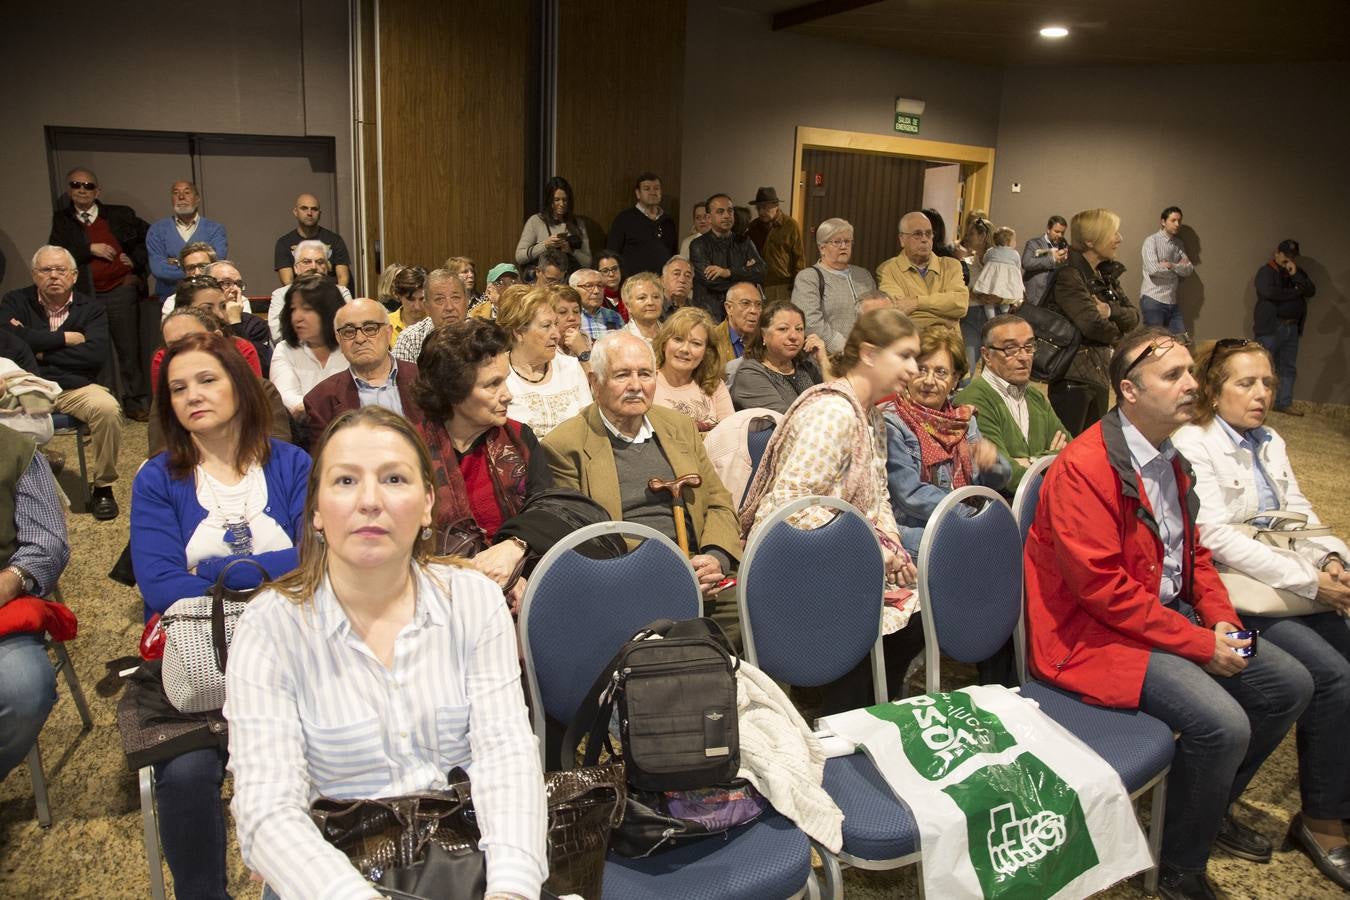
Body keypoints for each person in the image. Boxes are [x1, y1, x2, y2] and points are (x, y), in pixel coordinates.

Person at [1024, 326, 1313, 900]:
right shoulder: (1086, 467)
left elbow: (1194, 554)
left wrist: (1222, 619)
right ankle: (1181, 866)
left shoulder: (1168, 455)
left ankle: (1200, 806)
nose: (1191, 384)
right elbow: (1103, 591)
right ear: (1130, 391)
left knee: (1289, 683)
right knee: (1223, 724)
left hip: (1167, 616)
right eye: (1173, 375)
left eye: (1190, 372)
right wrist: (1203, 643)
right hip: (1099, 638)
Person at [225, 404, 547, 899]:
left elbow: (504, 756)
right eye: (346, 481)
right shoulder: (271, 627)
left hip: (467, 859)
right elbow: (268, 809)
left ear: (426, 506)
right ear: (315, 511)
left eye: (394, 479)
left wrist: (511, 889)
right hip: (336, 873)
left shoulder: (472, 601)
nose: (370, 501)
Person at [131, 331, 310, 900]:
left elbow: (321, 555)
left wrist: (219, 575)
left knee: (323, 757)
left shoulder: (292, 463)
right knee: (184, 777)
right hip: (203, 662)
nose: (192, 396)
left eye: (207, 379)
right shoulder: (157, 478)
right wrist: (264, 574)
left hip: (298, 651)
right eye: (178, 388)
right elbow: (159, 584)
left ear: (239, 385)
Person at [1171, 339, 1350, 890]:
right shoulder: (1193, 441)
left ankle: (1331, 801)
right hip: (1229, 599)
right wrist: (1307, 580)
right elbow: (1215, 537)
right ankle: (1320, 820)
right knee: (1323, 677)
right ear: (1212, 388)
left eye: (1268, 383)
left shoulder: (1268, 440)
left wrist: (1334, 560)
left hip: (1284, 584)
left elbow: (1297, 514)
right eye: (1245, 383)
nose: (1261, 394)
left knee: (1344, 655)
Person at [739, 309, 922, 713]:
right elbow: (788, 509)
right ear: (870, 354)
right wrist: (871, 550)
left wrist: (892, 548)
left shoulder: (871, 414)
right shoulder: (834, 412)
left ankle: (869, 711)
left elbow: (877, 500)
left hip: (838, 556)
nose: (914, 369)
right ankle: (844, 717)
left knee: (920, 610)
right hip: (798, 564)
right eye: (905, 356)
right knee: (900, 624)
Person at [541, 331, 742, 642]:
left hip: (704, 580)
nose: (636, 386)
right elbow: (582, 543)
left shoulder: (679, 426)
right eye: (622, 375)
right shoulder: (566, 446)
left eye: (645, 374)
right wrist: (665, 575)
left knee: (765, 612)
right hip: (627, 589)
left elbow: (717, 500)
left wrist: (716, 557)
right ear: (595, 382)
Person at [412, 321, 555, 599]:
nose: (508, 395)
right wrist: (486, 580)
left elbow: (548, 507)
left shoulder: (518, 437)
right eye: (493, 384)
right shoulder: (408, 452)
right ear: (454, 392)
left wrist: (515, 547)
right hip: (440, 594)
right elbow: (406, 543)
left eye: (505, 379)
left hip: (526, 584)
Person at [1, 246, 123, 520]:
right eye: (46, 270)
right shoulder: (14, 301)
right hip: (27, 386)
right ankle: (18, 488)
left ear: (74, 275)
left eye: (60, 270)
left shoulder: (91, 309)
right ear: (34, 274)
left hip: (74, 388)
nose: (54, 276)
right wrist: (65, 339)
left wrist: (38, 348)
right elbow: (9, 342)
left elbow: (95, 354)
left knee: (107, 409)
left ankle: (103, 487)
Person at [878, 324, 1009, 557]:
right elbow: (910, 495)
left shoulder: (963, 420)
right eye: (921, 369)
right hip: (917, 534)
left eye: (941, 372)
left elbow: (988, 483)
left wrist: (993, 464)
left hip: (961, 524)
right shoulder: (892, 422)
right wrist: (969, 517)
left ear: (955, 379)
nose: (929, 381)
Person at [48, 166, 150, 420]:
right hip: (86, 294)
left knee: (128, 348)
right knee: (94, 350)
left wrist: (134, 263)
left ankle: (136, 402)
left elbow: (147, 239)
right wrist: (89, 248)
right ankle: (103, 405)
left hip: (119, 291)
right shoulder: (62, 220)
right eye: (76, 185)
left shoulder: (118, 214)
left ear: (97, 191)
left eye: (88, 186)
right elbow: (58, 251)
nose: (82, 190)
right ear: (69, 190)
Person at [0, 424, 70, 784]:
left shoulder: (15, 450)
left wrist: (10, 581)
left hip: (1, 602)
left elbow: (47, 542)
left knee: (24, 690)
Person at [1045, 208, 1140, 436]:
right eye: (1113, 233)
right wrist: (1120, 332)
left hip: (1097, 374)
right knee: (1069, 448)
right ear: (1089, 240)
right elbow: (1092, 325)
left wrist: (1108, 310)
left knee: (1090, 446)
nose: (1119, 239)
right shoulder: (1070, 275)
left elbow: (1134, 316)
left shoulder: (1104, 276)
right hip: (1072, 377)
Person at [148, 308, 292, 456]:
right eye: (173, 346)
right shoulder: (166, 397)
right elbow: (161, 456)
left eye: (192, 340)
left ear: (217, 338)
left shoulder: (261, 389)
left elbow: (280, 454)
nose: (183, 352)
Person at [954, 314, 1069, 494]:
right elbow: (1007, 479)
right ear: (986, 355)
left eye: (1029, 346)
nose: (1024, 357)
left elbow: (1071, 455)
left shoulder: (1035, 397)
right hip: (1000, 514)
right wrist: (1050, 458)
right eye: (1011, 349)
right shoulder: (973, 400)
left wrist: (1029, 461)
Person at [305, 298, 424, 445]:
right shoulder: (321, 401)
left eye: (370, 328)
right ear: (339, 340)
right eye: (348, 332)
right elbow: (324, 464)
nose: (360, 339)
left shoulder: (425, 380)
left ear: (388, 333)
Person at [498, 286, 592, 438]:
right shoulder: (498, 374)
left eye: (555, 324)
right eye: (546, 326)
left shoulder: (571, 367)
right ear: (519, 332)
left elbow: (590, 428)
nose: (556, 334)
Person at [793, 217, 878, 354]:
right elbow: (810, 322)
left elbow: (877, 313)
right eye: (837, 242)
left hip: (867, 356)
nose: (843, 246)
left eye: (847, 241)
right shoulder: (808, 277)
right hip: (828, 358)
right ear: (822, 248)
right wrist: (844, 348)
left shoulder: (864, 275)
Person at [154, 277, 262, 382]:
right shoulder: (163, 357)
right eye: (208, 308)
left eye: (223, 306)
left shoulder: (242, 348)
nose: (220, 315)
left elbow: (252, 396)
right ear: (185, 311)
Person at [875, 211, 969, 331]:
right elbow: (897, 312)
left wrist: (916, 302)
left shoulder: (952, 265)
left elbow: (960, 305)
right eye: (917, 234)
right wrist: (944, 318)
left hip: (949, 346)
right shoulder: (887, 269)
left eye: (928, 234)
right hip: (914, 344)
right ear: (902, 239)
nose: (924, 239)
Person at [270, 276, 349, 417]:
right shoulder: (285, 350)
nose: (297, 317)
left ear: (329, 311)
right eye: (293, 309)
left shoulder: (351, 346)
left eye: (307, 309)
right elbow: (288, 399)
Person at [1253, 238, 1315, 416]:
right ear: (1277, 253)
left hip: (1292, 328)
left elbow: (1311, 290)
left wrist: (1296, 276)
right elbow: (1269, 292)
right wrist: (1296, 291)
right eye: (1286, 255)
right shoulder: (1266, 271)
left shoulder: (1295, 272)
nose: (1289, 259)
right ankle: (1258, 403)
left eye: (1292, 256)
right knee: (1262, 366)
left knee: (1288, 367)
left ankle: (1283, 402)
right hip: (1271, 327)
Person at [731, 300, 826, 413]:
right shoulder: (750, 373)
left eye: (799, 329)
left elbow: (838, 401)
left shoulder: (805, 365)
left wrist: (823, 360)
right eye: (783, 329)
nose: (794, 336)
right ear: (764, 335)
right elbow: (785, 419)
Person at [653, 307, 733, 432]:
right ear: (664, 343)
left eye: (696, 343)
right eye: (678, 339)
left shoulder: (714, 385)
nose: (685, 349)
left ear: (706, 352)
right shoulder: (646, 382)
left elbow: (730, 434)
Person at [145, 181, 228, 299]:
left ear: (197, 199)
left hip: (206, 297)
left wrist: (177, 262)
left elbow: (214, 267)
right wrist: (200, 267)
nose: (181, 196)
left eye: (187, 192)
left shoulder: (215, 229)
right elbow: (159, 270)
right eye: (176, 193)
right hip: (169, 298)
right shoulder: (157, 230)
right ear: (171, 199)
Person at [690, 193, 765, 322]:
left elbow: (762, 272)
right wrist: (745, 275)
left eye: (730, 211)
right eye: (720, 212)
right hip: (710, 314)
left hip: (740, 314)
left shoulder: (744, 242)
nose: (726, 215)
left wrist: (727, 272)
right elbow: (711, 282)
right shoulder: (699, 245)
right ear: (709, 217)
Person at [266, 239, 354, 342]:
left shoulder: (341, 292)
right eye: (306, 262)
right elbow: (278, 335)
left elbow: (349, 330)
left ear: (327, 267)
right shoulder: (280, 295)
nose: (313, 267)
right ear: (296, 268)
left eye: (320, 262)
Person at [205, 260, 274, 373]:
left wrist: (235, 322)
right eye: (226, 283)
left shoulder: (255, 324)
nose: (235, 290)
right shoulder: (196, 322)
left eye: (238, 284)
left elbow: (258, 369)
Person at [607, 172, 677, 278]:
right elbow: (612, 254)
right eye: (647, 188)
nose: (653, 192)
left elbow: (673, 254)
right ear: (638, 193)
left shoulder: (668, 221)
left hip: (662, 283)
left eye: (656, 188)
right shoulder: (624, 219)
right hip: (633, 283)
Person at [392, 268, 469, 364]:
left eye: (455, 298)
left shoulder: (483, 335)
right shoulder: (409, 340)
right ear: (427, 307)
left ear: (467, 301)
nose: (449, 307)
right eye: (440, 300)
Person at [273, 193, 352, 287]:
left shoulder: (335, 240)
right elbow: (288, 282)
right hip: (300, 296)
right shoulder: (284, 243)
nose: (309, 213)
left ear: (320, 214)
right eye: (304, 208)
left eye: (314, 209)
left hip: (331, 295)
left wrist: (335, 298)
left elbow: (343, 278)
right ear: (295, 212)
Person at [516, 175, 591, 272]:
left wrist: (571, 251)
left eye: (565, 200)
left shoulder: (578, 223)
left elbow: (588, 262)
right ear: (549, 201)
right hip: (545, 280)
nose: (562, 204)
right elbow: (520, 257)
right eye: (557, 200)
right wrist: (545, 245)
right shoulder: (536, 221)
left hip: (571, 279)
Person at [1139, 206, 1194, 334]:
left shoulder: (1179, 244)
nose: (1177, 224)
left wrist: (1171, 265)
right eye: (1173, 220)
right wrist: (1177, 271)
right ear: (1163, 222)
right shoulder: (1151, 241)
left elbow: (1189, 269)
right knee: (1155, 343)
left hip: (1171, 301)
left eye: (1179, 221)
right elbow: (1153, 270)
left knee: (1180, 341)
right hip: (1153, 299)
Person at [747, 187, 805, 302]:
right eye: (758, 208)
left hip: (782, 285)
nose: (761, 212)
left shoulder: (790, 226)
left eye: (764, 207)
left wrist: (798, 287)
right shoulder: (753, 226)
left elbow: (799, 259)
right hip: (757, 284)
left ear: (776, 205)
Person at [1021, 214, 1069, 305]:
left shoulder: (1062, 245)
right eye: (1057, 231)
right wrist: (1053, 258)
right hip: (1035, 294)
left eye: (1062, 233)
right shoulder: (1033, 243)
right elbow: (1026, 263)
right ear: (1048, 229)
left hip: (1053, 295)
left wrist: (1064, 260)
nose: (1060, 235)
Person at [712, 282, 763, 364]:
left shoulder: (766, 339)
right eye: (745, 303)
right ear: (729, 308)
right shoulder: (712, 340)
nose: (754, 310)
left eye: (758, 304)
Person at [570, 268, 622, 340]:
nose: (596, 291)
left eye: (600, 286)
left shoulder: (614, 316)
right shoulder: (569, 318)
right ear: (573, 290)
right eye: (588, 286)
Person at [551, 284, 592, 367]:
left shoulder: (592, 344)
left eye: (576, 311)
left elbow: (596, 379)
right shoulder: (543, 351)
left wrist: (582, 350)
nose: (572, 318)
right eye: (563, 312)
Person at [621, 272, 664, 343]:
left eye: (656, 297)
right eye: (642, 298)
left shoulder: (671, 333)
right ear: (628, 305)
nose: (650, 302)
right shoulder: (621, 339)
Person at [386, 265, 425, 341]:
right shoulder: (387, 324)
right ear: (398, 296)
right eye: (410, 299)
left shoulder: (436, 321)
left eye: (422, 299)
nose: (417, 306)